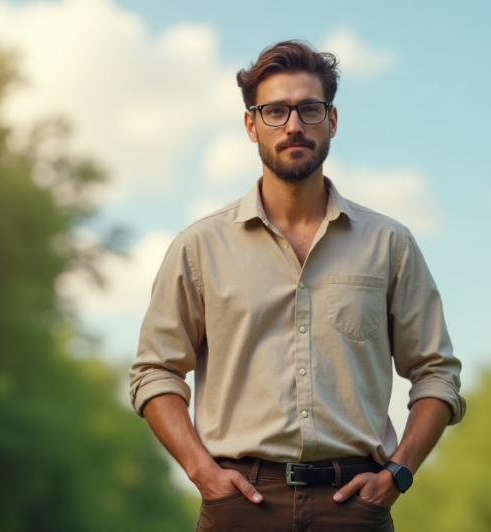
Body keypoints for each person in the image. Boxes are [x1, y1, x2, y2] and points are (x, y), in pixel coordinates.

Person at [129, 39, 465, 532]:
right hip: (239, 504)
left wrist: (399, 472)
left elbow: (437, 373)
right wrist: (202, 472)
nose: (293, 125)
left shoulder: (390, 244)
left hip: (354, 506)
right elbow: (155, 373)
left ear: (332, 121)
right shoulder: (199, 247)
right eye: (275, 111)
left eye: (309, 109)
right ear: (251, 124)